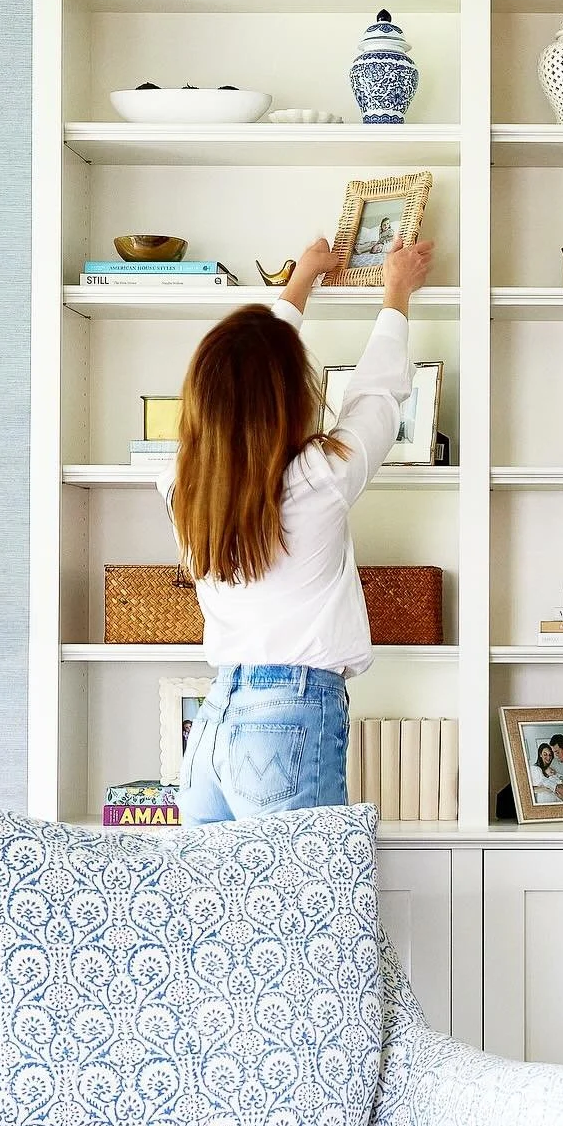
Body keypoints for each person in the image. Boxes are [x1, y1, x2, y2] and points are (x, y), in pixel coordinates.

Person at [164, 232, 434, 824]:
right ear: (285, 395)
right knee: (305, 911)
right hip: (289, 717)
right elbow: (377, 400)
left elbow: (245, 375)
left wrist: (300, 282)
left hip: (212, 726)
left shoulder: (183, 485)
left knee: (219, 913)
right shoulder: (317, 478)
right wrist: (396, 292)